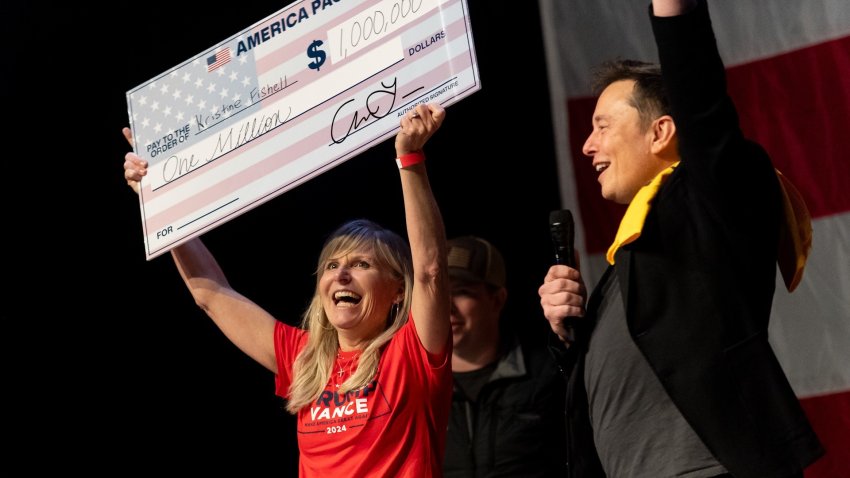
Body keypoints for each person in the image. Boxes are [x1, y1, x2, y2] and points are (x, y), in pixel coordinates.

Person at [537, 1, 824, 477]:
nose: (587, 145)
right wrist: (570, 335)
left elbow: (700, 95)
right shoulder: (629, 261)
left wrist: (674, 12)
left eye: (602, 126)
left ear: (661, 132)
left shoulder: (715, 198)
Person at [123, 103, 453, 477]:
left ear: (397, 290)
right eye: (332, 265)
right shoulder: (304, 358)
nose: (341, 275)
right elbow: (211, 294)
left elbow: (429, 270)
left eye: (361, 264)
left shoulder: (412, 353)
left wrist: (409, 157)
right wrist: (158, 203)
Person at [443, 236, 566, 477]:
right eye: (437, 295)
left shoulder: (548, 375)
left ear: (497, 299)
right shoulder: (418, 387)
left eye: (462, 292)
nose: (446, 307)